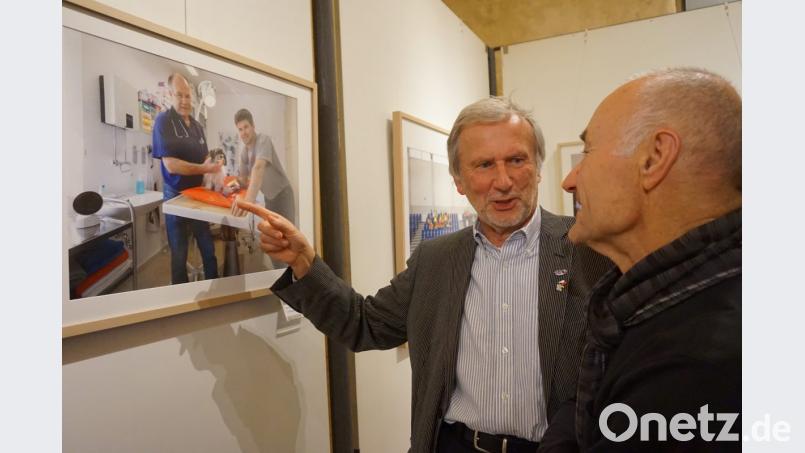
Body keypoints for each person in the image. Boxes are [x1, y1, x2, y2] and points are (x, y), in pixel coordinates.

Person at [238, 97, 611, 452]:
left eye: (516, 160)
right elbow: (364, 324)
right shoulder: (436, 259)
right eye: (483, 165)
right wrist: (304, 261)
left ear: (538, 167)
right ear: (458, 180)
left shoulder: (589, 251)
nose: (503, 180)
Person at [539, 68, 741, 452]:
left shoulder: (704, 358)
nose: (569, 181)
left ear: (654, 158)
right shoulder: (658, 303)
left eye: (587, 152)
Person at [152, 73, 220, 284]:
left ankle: (215, 287)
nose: (184, 101)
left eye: (188, 96)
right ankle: (179, 297)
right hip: (176, 195)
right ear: (170, 95)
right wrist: (204, 167)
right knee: (179, 253)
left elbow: (204, 155)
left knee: (208, 247)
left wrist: (212, 164)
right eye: (179, 95)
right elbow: (171, 165)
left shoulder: (198, 126)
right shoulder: (164, 121)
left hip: (198, 194)